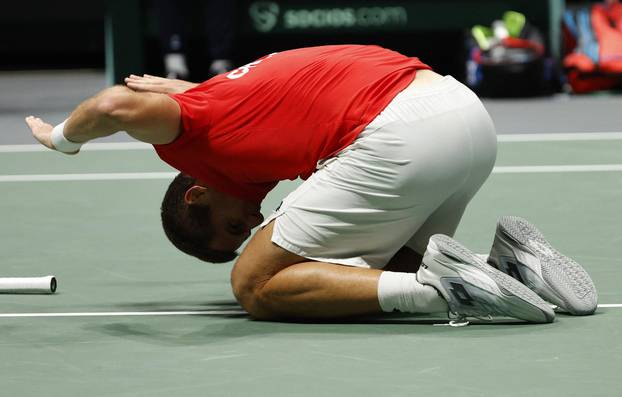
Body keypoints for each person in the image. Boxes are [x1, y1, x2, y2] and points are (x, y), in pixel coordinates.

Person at [25, 45, 597, 325]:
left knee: (255, 283)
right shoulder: (227, 105)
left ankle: (451, 290)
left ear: (196, 190)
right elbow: (274, 95)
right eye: (246, 229)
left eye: (234, 224)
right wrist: (187, 86)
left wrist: (62, 142)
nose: (255, 222)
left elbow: (113, 104)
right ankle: (504, 263)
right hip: (465, 119)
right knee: (376, 273)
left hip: (399, 132)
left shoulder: (190, 138)